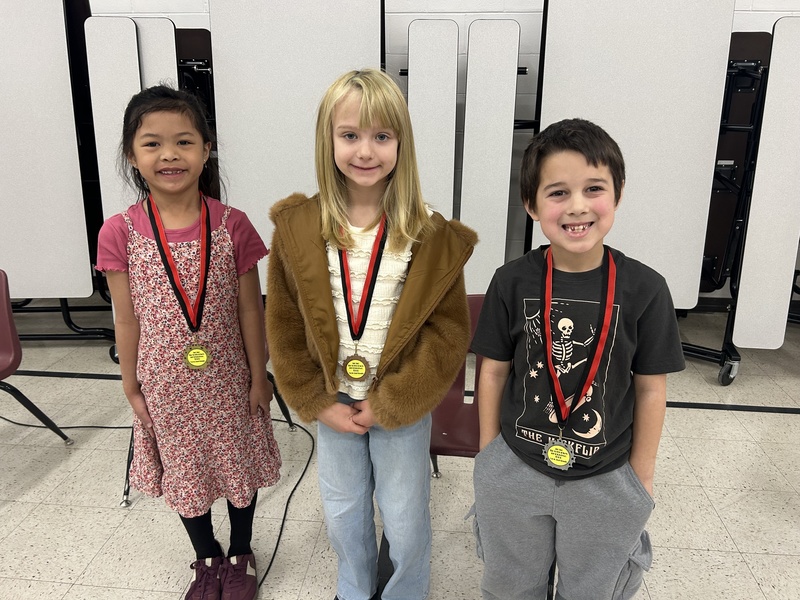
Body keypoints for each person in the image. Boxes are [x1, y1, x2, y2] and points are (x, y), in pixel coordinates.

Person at [265, 68, 477, 600]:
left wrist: (392, 403)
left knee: (405, 513)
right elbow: (285, 325)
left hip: (400, 403)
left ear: (401, 143)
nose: (366, 150)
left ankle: (406, 589)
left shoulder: (431, 235)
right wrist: (314, 400)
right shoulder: (298, 228)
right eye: (350, 135)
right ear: (327, 139)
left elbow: (448, 332)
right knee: (343, 507)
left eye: (382, 136)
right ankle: (354, 587)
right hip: (332, 401)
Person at [470, 118, 685, 600]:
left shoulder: (646, 290)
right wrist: (489, 456)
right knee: (509, 585)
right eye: (558, 193)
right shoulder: (511, 281)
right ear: (531, 204)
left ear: (618, 193)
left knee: (593, 589)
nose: (578, 207)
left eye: (594, 188)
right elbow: (493, 371)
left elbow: (651, 388)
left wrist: (640, 479)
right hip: (516, 468)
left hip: (606, 479)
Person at [95, 85, 281, 600]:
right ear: (132, 156)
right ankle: (206, 558)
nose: (170, 154)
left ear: (205, 150)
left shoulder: (231, 224)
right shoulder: (120, 232)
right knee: (185, 471)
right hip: (165, 385)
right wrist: (130, 382)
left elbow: (250, 309)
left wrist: (259, 375)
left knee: (236, 464)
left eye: (184, 141)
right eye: (152, 144)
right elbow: (126, 317)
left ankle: (240, 553)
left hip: (228, 379)